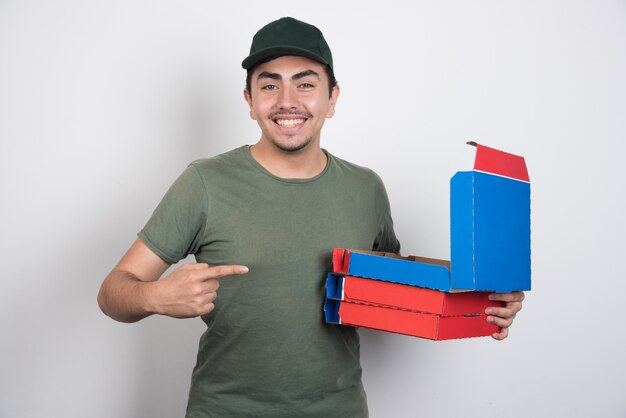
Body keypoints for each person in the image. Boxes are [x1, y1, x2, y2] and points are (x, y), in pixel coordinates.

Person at [97, 16, 524, 418]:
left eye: (305, 84)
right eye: (269, 85)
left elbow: (395, 294)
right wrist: (155, 297)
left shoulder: (366, 188)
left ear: (332, 98)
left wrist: (484, 301)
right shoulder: (203, 183)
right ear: (249, 100)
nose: (287, 102)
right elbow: (113, 292)